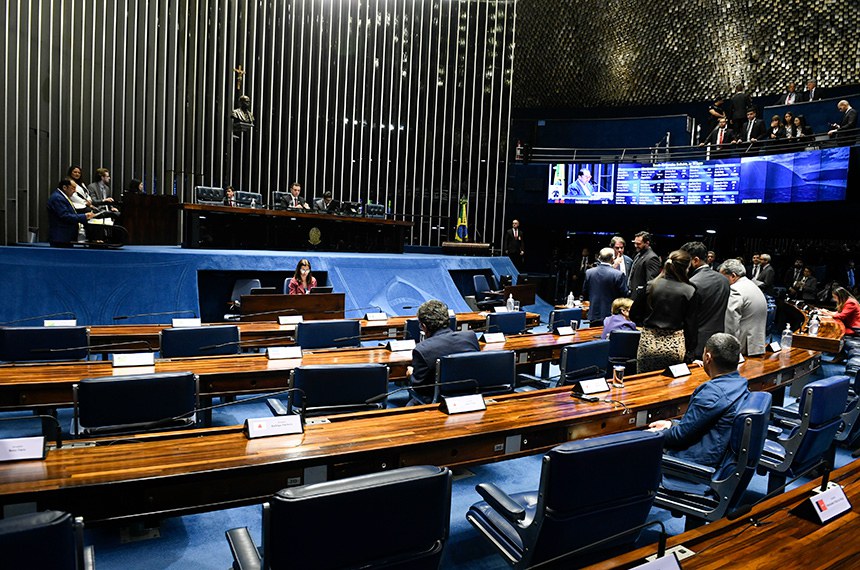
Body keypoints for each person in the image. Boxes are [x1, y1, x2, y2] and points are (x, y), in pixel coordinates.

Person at [648, 333, 751, 469]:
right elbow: (699, 424)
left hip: (695, 463)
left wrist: (654, 434)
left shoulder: (713, 393)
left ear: (707, 358)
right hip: (715, 453)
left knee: (634, 446)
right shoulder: (740, 383)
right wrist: (670, 424)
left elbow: (680, 437)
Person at [630, 250, 699, 373]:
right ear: (686, 268)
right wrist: (691, 351)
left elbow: (634, 314)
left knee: (645, 382)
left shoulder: (651, 285)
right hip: (674, 345)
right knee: (672, 386)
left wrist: (647, 322)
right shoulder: (690, 290)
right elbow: (691, 326)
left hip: (649, 343)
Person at [407, 299, 480, 403]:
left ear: (424, 326)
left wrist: (410, 374)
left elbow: (419, 387)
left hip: (440, 402)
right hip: (472, 397)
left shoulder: (422, 349)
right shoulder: (470, 337)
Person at [681, 241, 730, 359]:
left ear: (695, 260)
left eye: (685, 261)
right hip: (718, 341)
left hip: (696, 344)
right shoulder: (723, 280)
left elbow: (687, 318)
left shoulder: (692, 283)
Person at [719, 259, 767, 356]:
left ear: (733, 275)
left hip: (743, 347)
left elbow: (731, 324)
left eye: (722, 277)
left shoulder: (735, 290)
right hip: (756, 344)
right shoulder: (752, 285)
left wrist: (729, 350)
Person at [582, 248, 629, 324]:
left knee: (592, 335)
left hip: (594, 313)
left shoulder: (589, 272)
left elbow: (585, 292)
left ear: (599, 258)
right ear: (612, 259)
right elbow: (624, 295)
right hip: (612, 314)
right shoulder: (618, 275)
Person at [47, 178, 94, 246]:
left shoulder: (62, 196)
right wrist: (84, 216)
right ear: (64, 187)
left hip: (64, 236)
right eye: (73, 188)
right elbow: (65, 216)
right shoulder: (58, 198)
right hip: (61, 236)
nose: (75, 191)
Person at [628, 231, 661, 296]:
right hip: (634, 294)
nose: (635, 246)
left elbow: (651, 283)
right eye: (635, 243)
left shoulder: (652, 258)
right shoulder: (638, 254)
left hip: (640, 297)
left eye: (638, 244)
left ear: (647, 243)